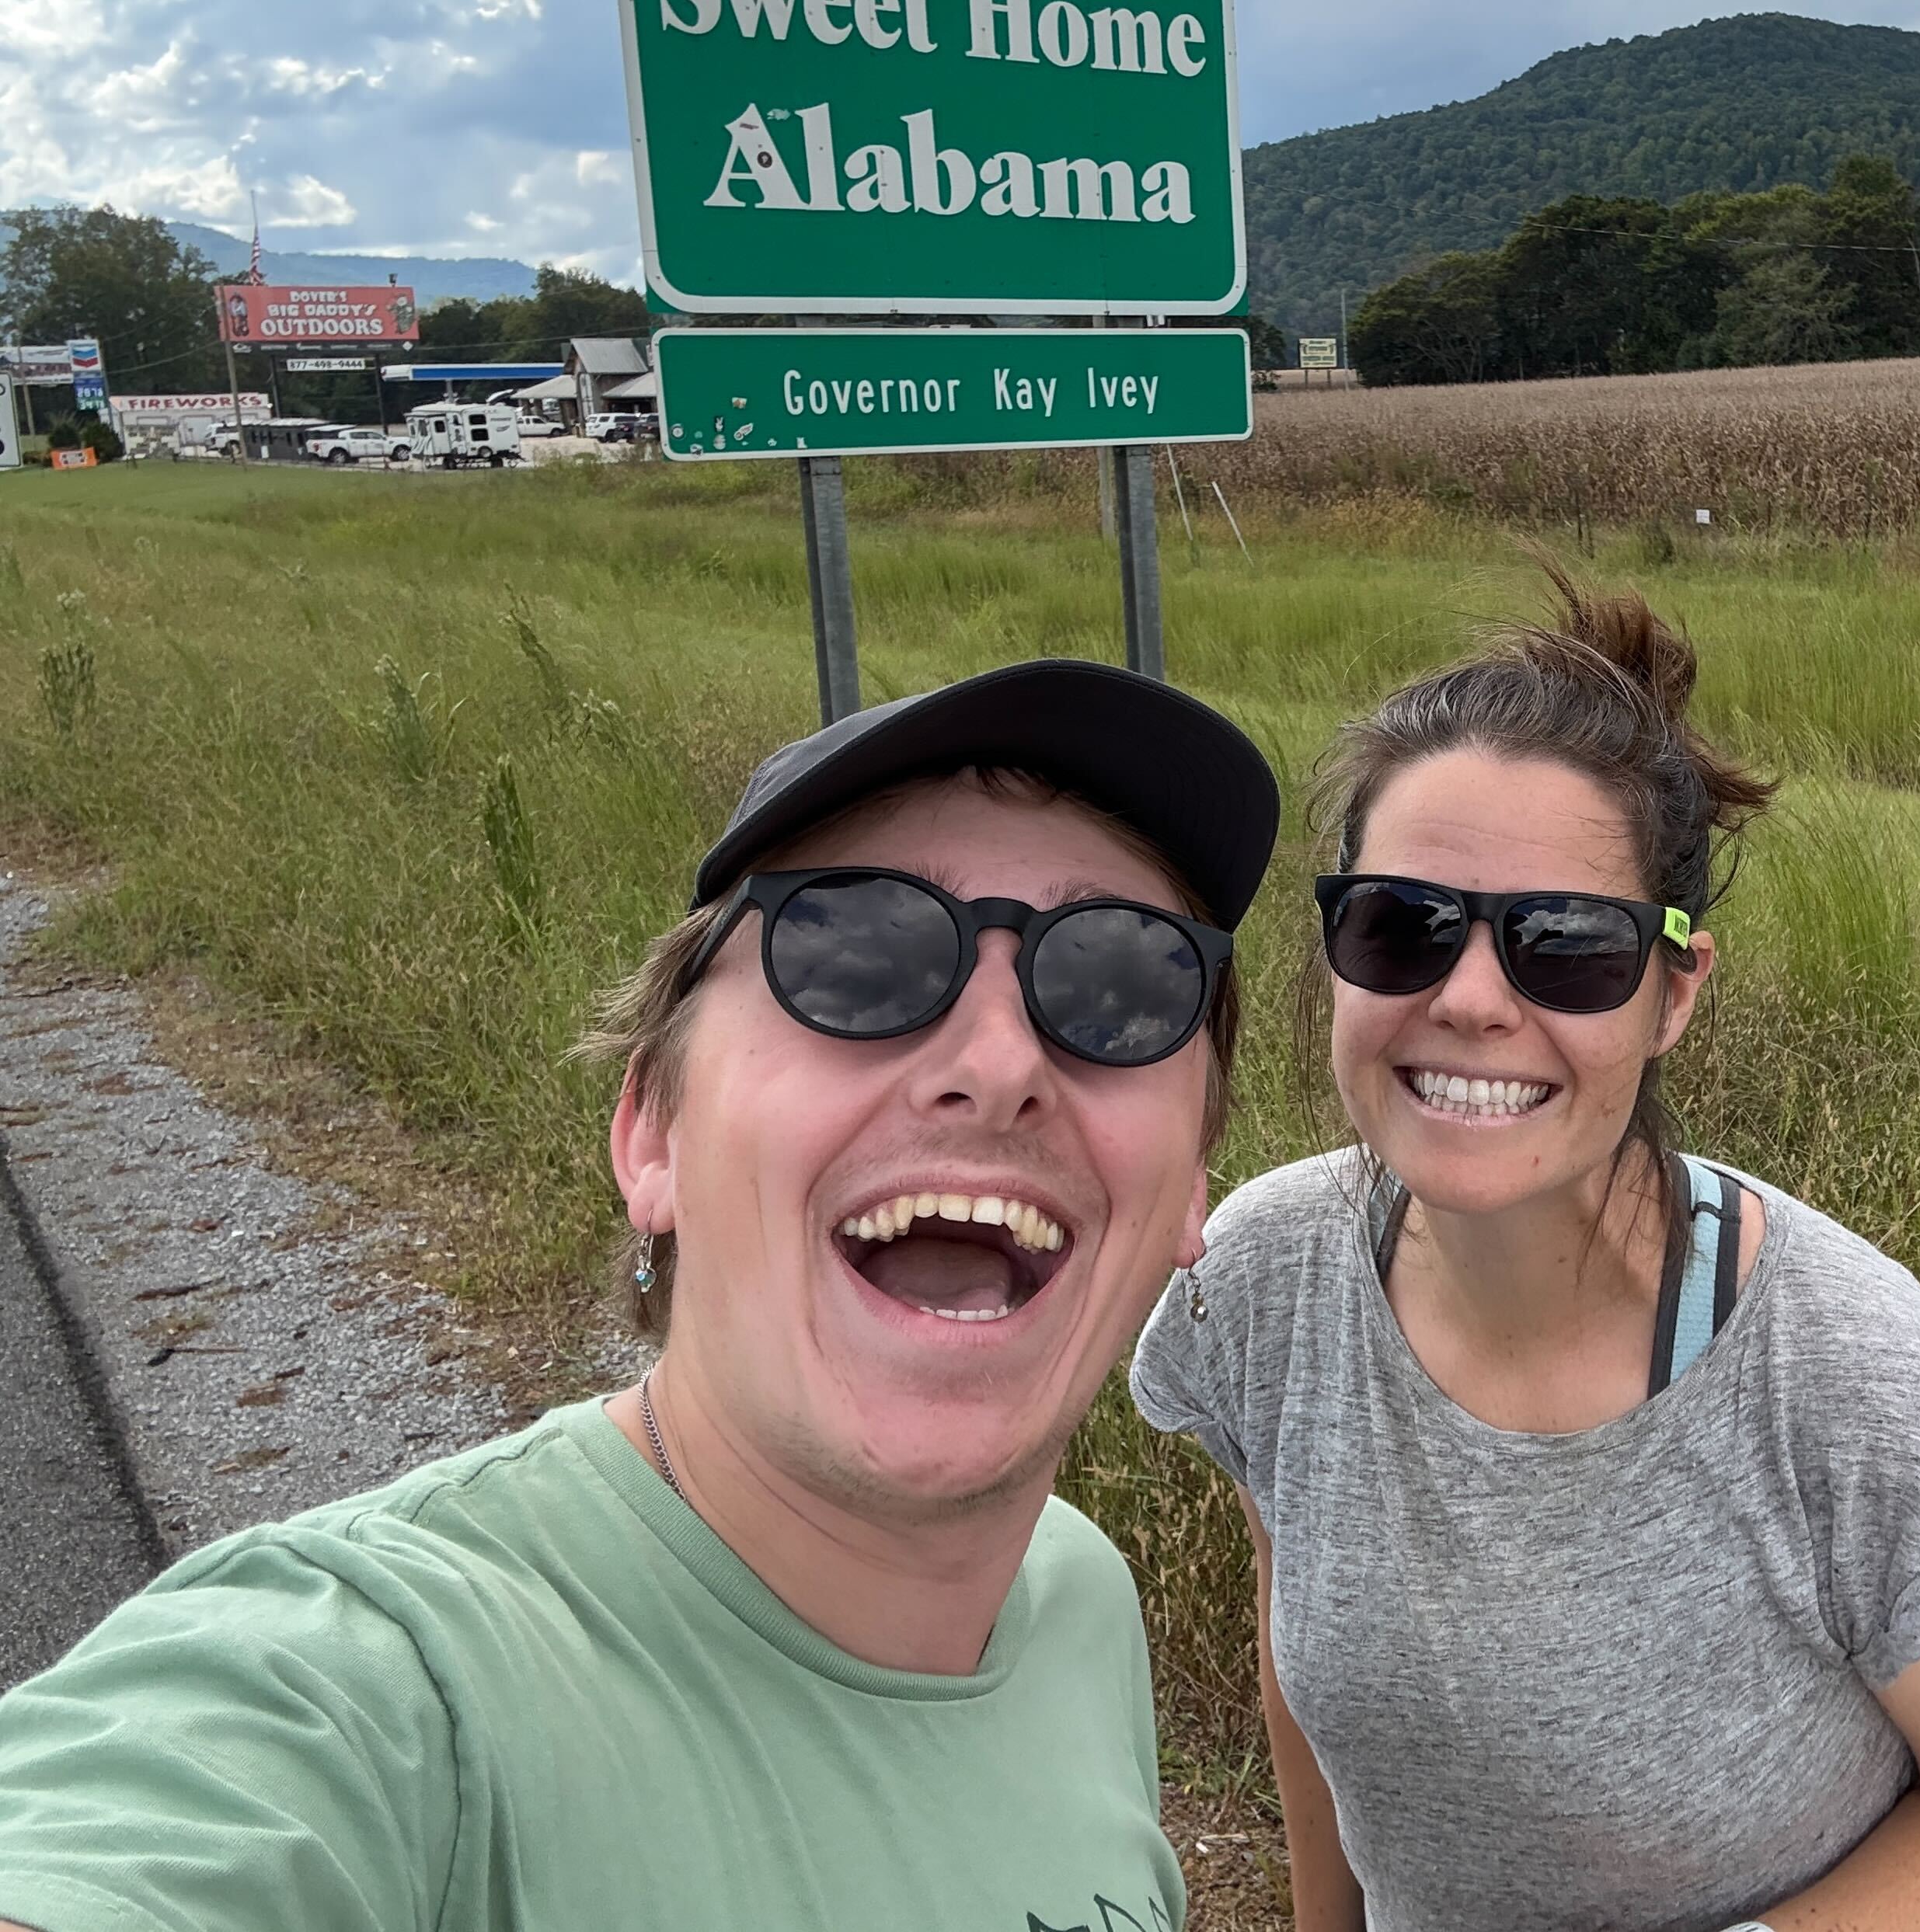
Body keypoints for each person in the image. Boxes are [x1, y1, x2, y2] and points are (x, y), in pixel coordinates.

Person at [0, 660, 1280, 1932]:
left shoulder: (1074, 1602)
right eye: (860, 952)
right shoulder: (375, 1688)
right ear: (651, 1137)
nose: (999, 1062)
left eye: (1126, 984)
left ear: (1186, 1194)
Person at [1131, 578, 1920, 1932]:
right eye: (1401, 925)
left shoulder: (1857, 1387)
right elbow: (1302, 1656)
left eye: (1568, 948)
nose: (1470, 1000)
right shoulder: (1263, 1283)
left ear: (1675, 992)